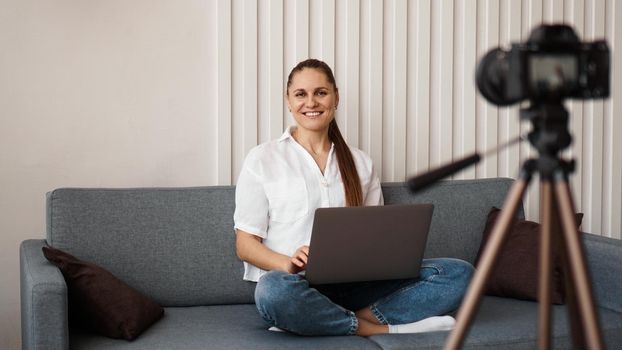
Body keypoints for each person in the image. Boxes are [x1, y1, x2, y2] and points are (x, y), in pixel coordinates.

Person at [234, 58, 473, 336]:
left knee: (459, 273)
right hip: (295, 285)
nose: (311, 102)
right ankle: (383, 330)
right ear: (288, 101)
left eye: (321, 93)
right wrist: (289, 262)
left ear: (336, 97)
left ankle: (331, 321)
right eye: (301, 94)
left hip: (358, 285)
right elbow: (245, 244)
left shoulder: (361, 162)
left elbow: (376, 238)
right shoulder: (263, 158)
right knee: (272, 292)